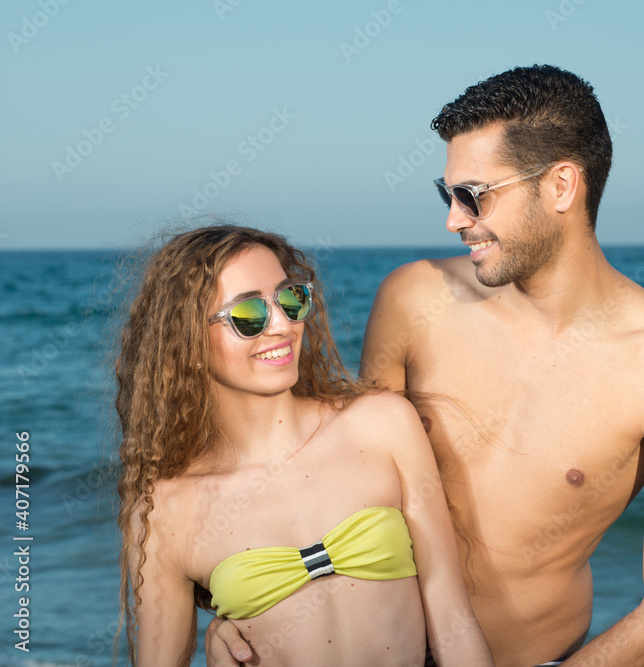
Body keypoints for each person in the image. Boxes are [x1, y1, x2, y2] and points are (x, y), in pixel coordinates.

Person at [212, 64, 644, 666]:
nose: (454, 219)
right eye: (448, 193)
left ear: (562, 186)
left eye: (474, 195)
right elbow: (330, 487)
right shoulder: (413, 298)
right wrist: (236, 605)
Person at [116, 225, 493, 665]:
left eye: (290, 299)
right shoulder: (166, 510)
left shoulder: (383, 424)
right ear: (188, 341)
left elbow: (453, 620)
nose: (282, 325)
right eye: (249, 313)